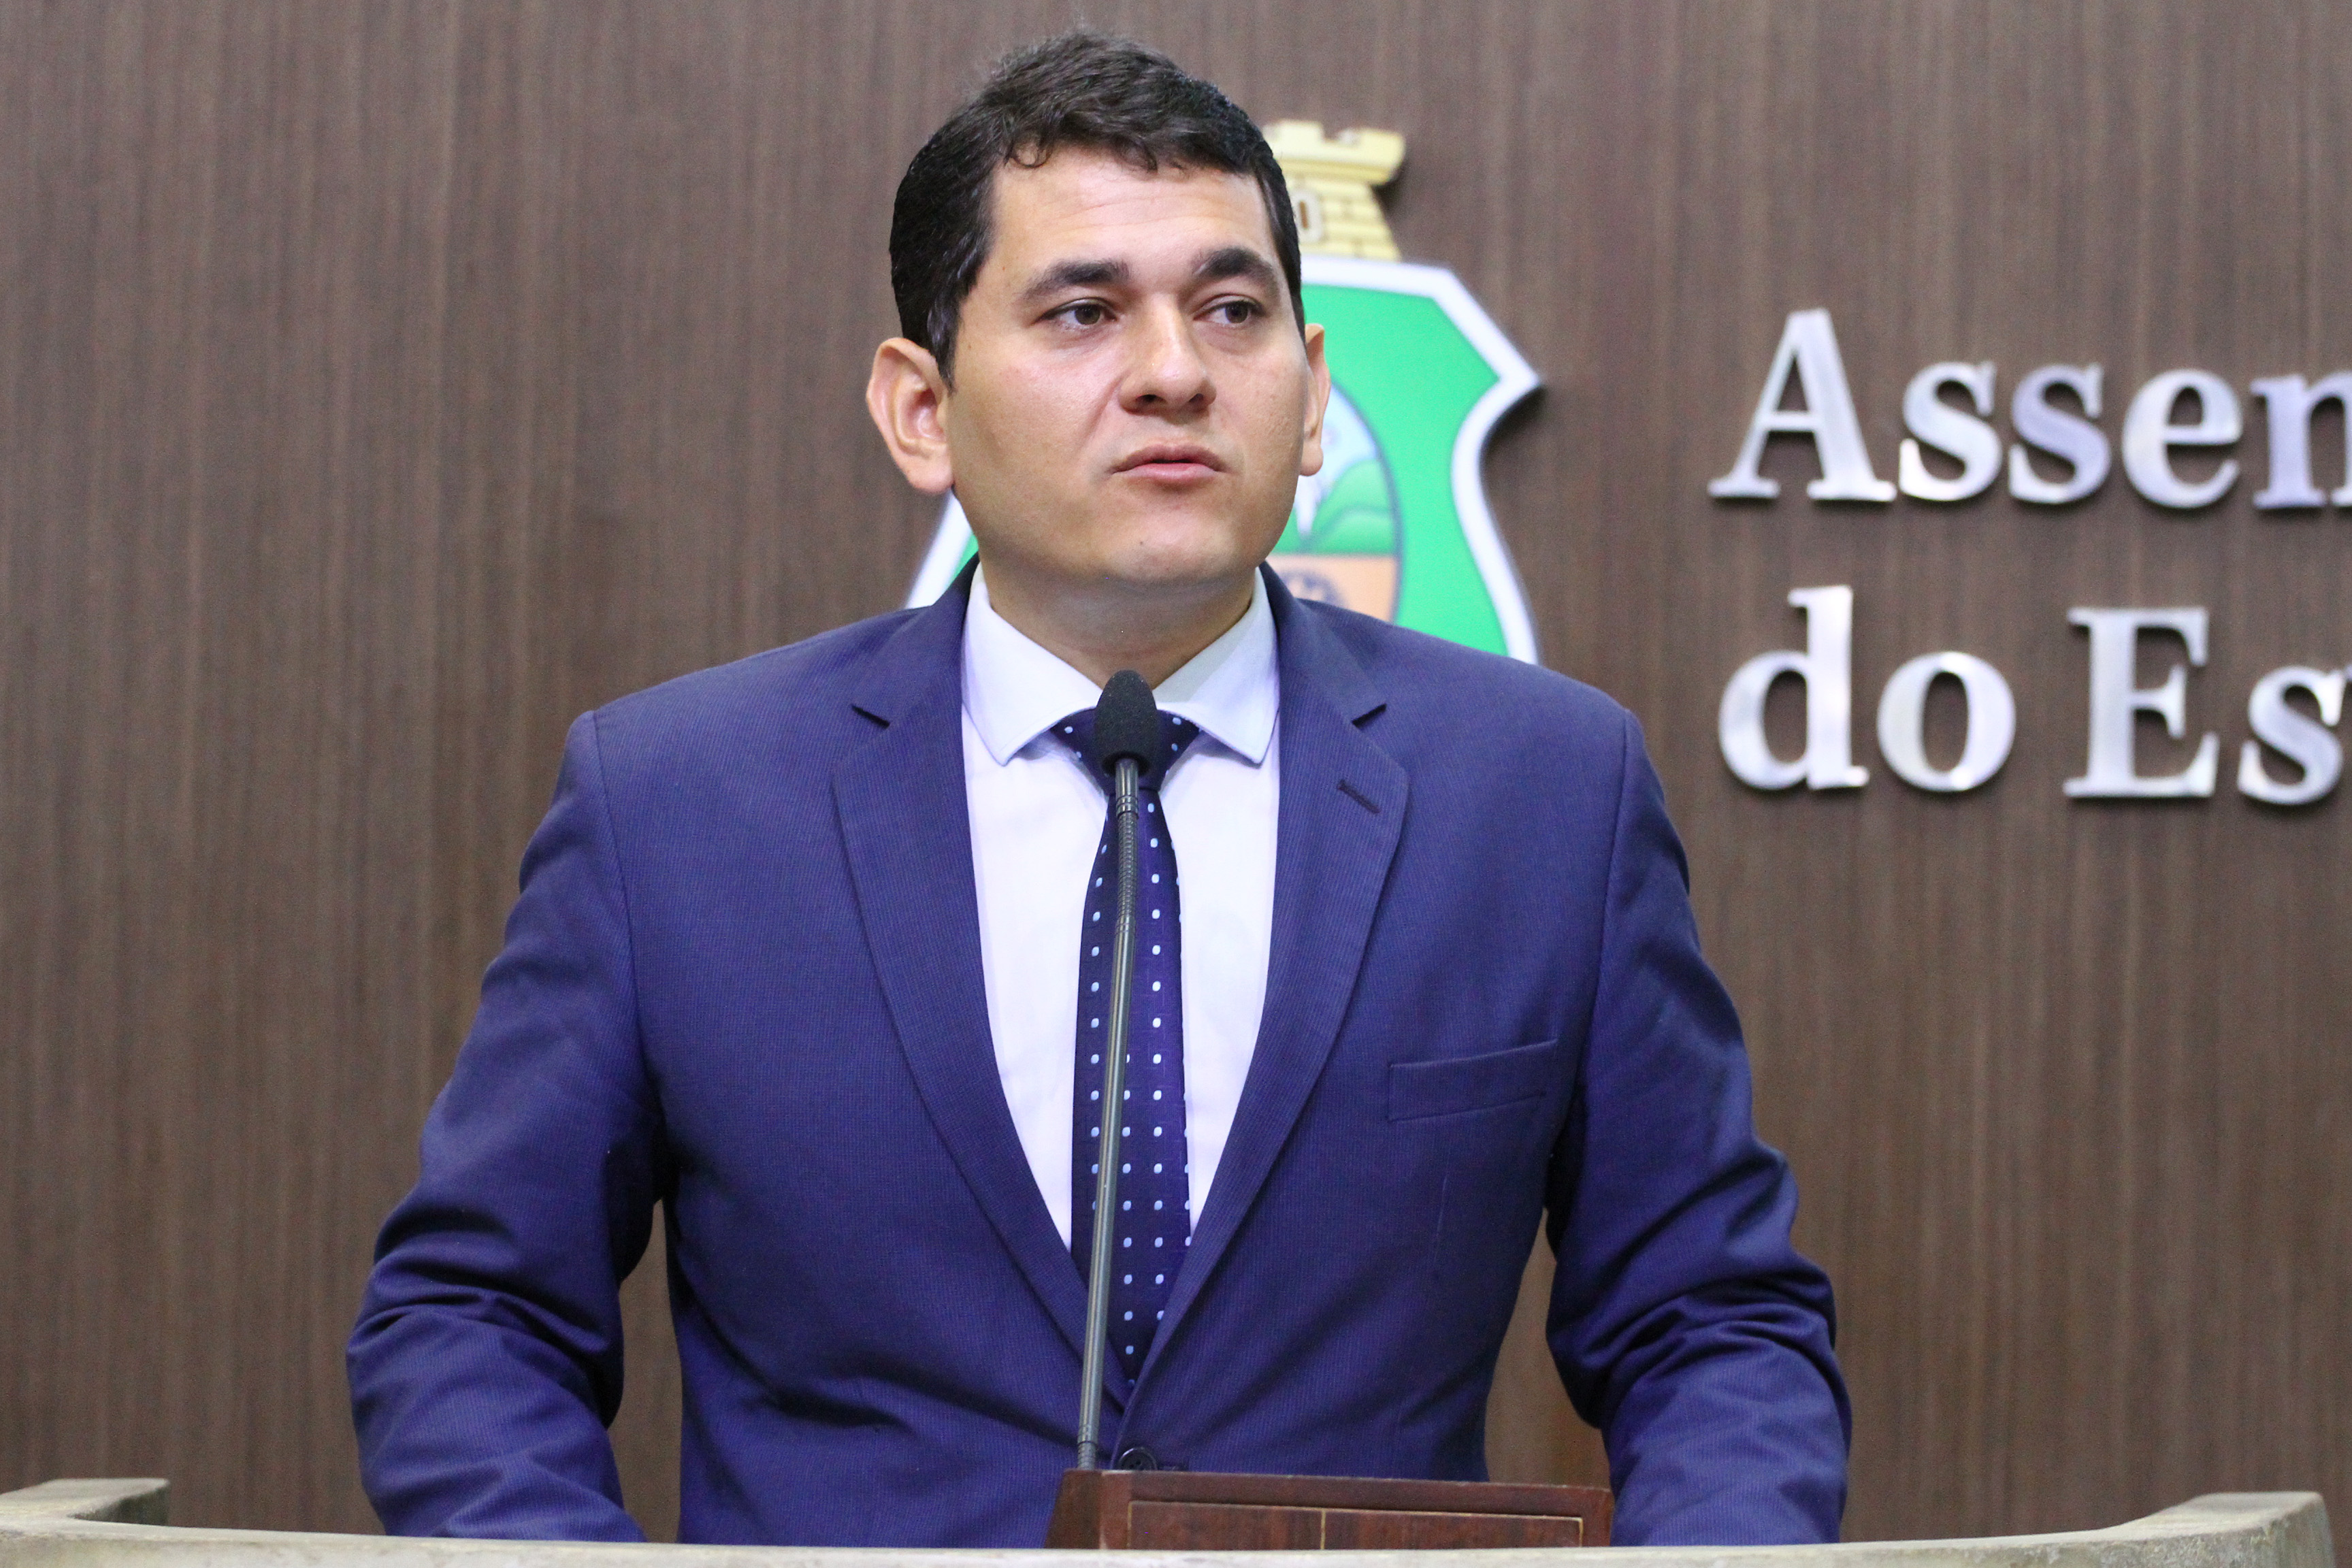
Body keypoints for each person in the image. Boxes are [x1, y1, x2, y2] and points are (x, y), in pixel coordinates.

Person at [348, 31, 1849, 1549]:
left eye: (1233, 311)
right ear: (921, 410)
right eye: (1083, 312)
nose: (1176, 373)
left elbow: (1714, 1324)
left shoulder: (1542, 794)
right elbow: (472, 1315)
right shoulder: (675, 806)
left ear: (1313, 395)